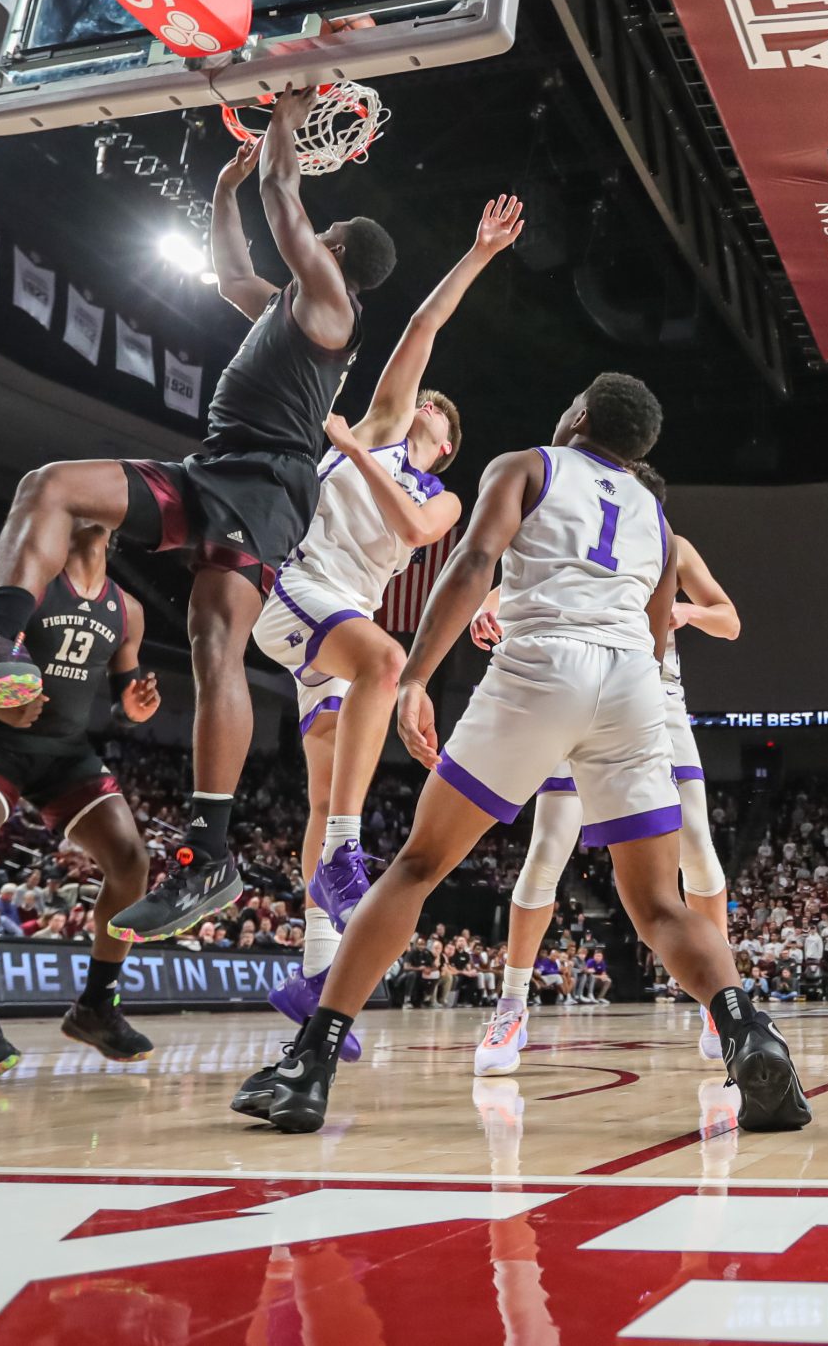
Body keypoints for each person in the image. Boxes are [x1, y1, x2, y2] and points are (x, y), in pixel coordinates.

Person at [0, 92, 395, 945]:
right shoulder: (282, 309)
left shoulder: (331, 300)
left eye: (319, 241)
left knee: (218, 646)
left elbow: (286, 200)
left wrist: (287, 117)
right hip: (216, 469)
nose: (309, 241)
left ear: (335, 255)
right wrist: (225, 191)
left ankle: (210, 851)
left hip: (264, 489)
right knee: (52, 486)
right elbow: (228, 273)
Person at [230, 374, 808, 1134]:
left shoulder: (527, 464)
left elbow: (471, 567)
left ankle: (311, 1060)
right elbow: (661, 631)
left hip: (544, 670)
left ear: (579, 414)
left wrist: (415, 678)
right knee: (661, 904)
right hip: (635, 687)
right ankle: (746, 1028)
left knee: (416, 865)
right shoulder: (658, 520)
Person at [257, 197, 517, 1041]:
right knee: (383, 661)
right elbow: (423, 325)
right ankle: (342, 854)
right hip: (300, 594)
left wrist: (360, 453)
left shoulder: (441, 497)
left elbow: (411, 531)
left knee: (326, 784)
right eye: (418, 411)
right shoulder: (377, 424)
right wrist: (477, 255)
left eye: (435, 422)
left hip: (343, 626)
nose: (422, 418)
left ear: (448, 446)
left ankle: (314, 978)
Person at [471, 500, 740, 1076]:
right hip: (580, 690)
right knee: (545, 854)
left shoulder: (671, 543)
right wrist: (484, 610)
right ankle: (511, 1006)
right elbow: (504, 590)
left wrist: (688, 614)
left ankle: (723, 1004)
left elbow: (730, 618)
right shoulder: (571, 533)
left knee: (697, 846)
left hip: (655, 699)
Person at [0, 521, 165, 1080]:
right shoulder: (16, 583)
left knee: (132, 860)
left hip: (66, 751)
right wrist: (1, 700)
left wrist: (133, 708)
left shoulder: (127, 609)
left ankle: (96, 1006)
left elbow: (122, 698)